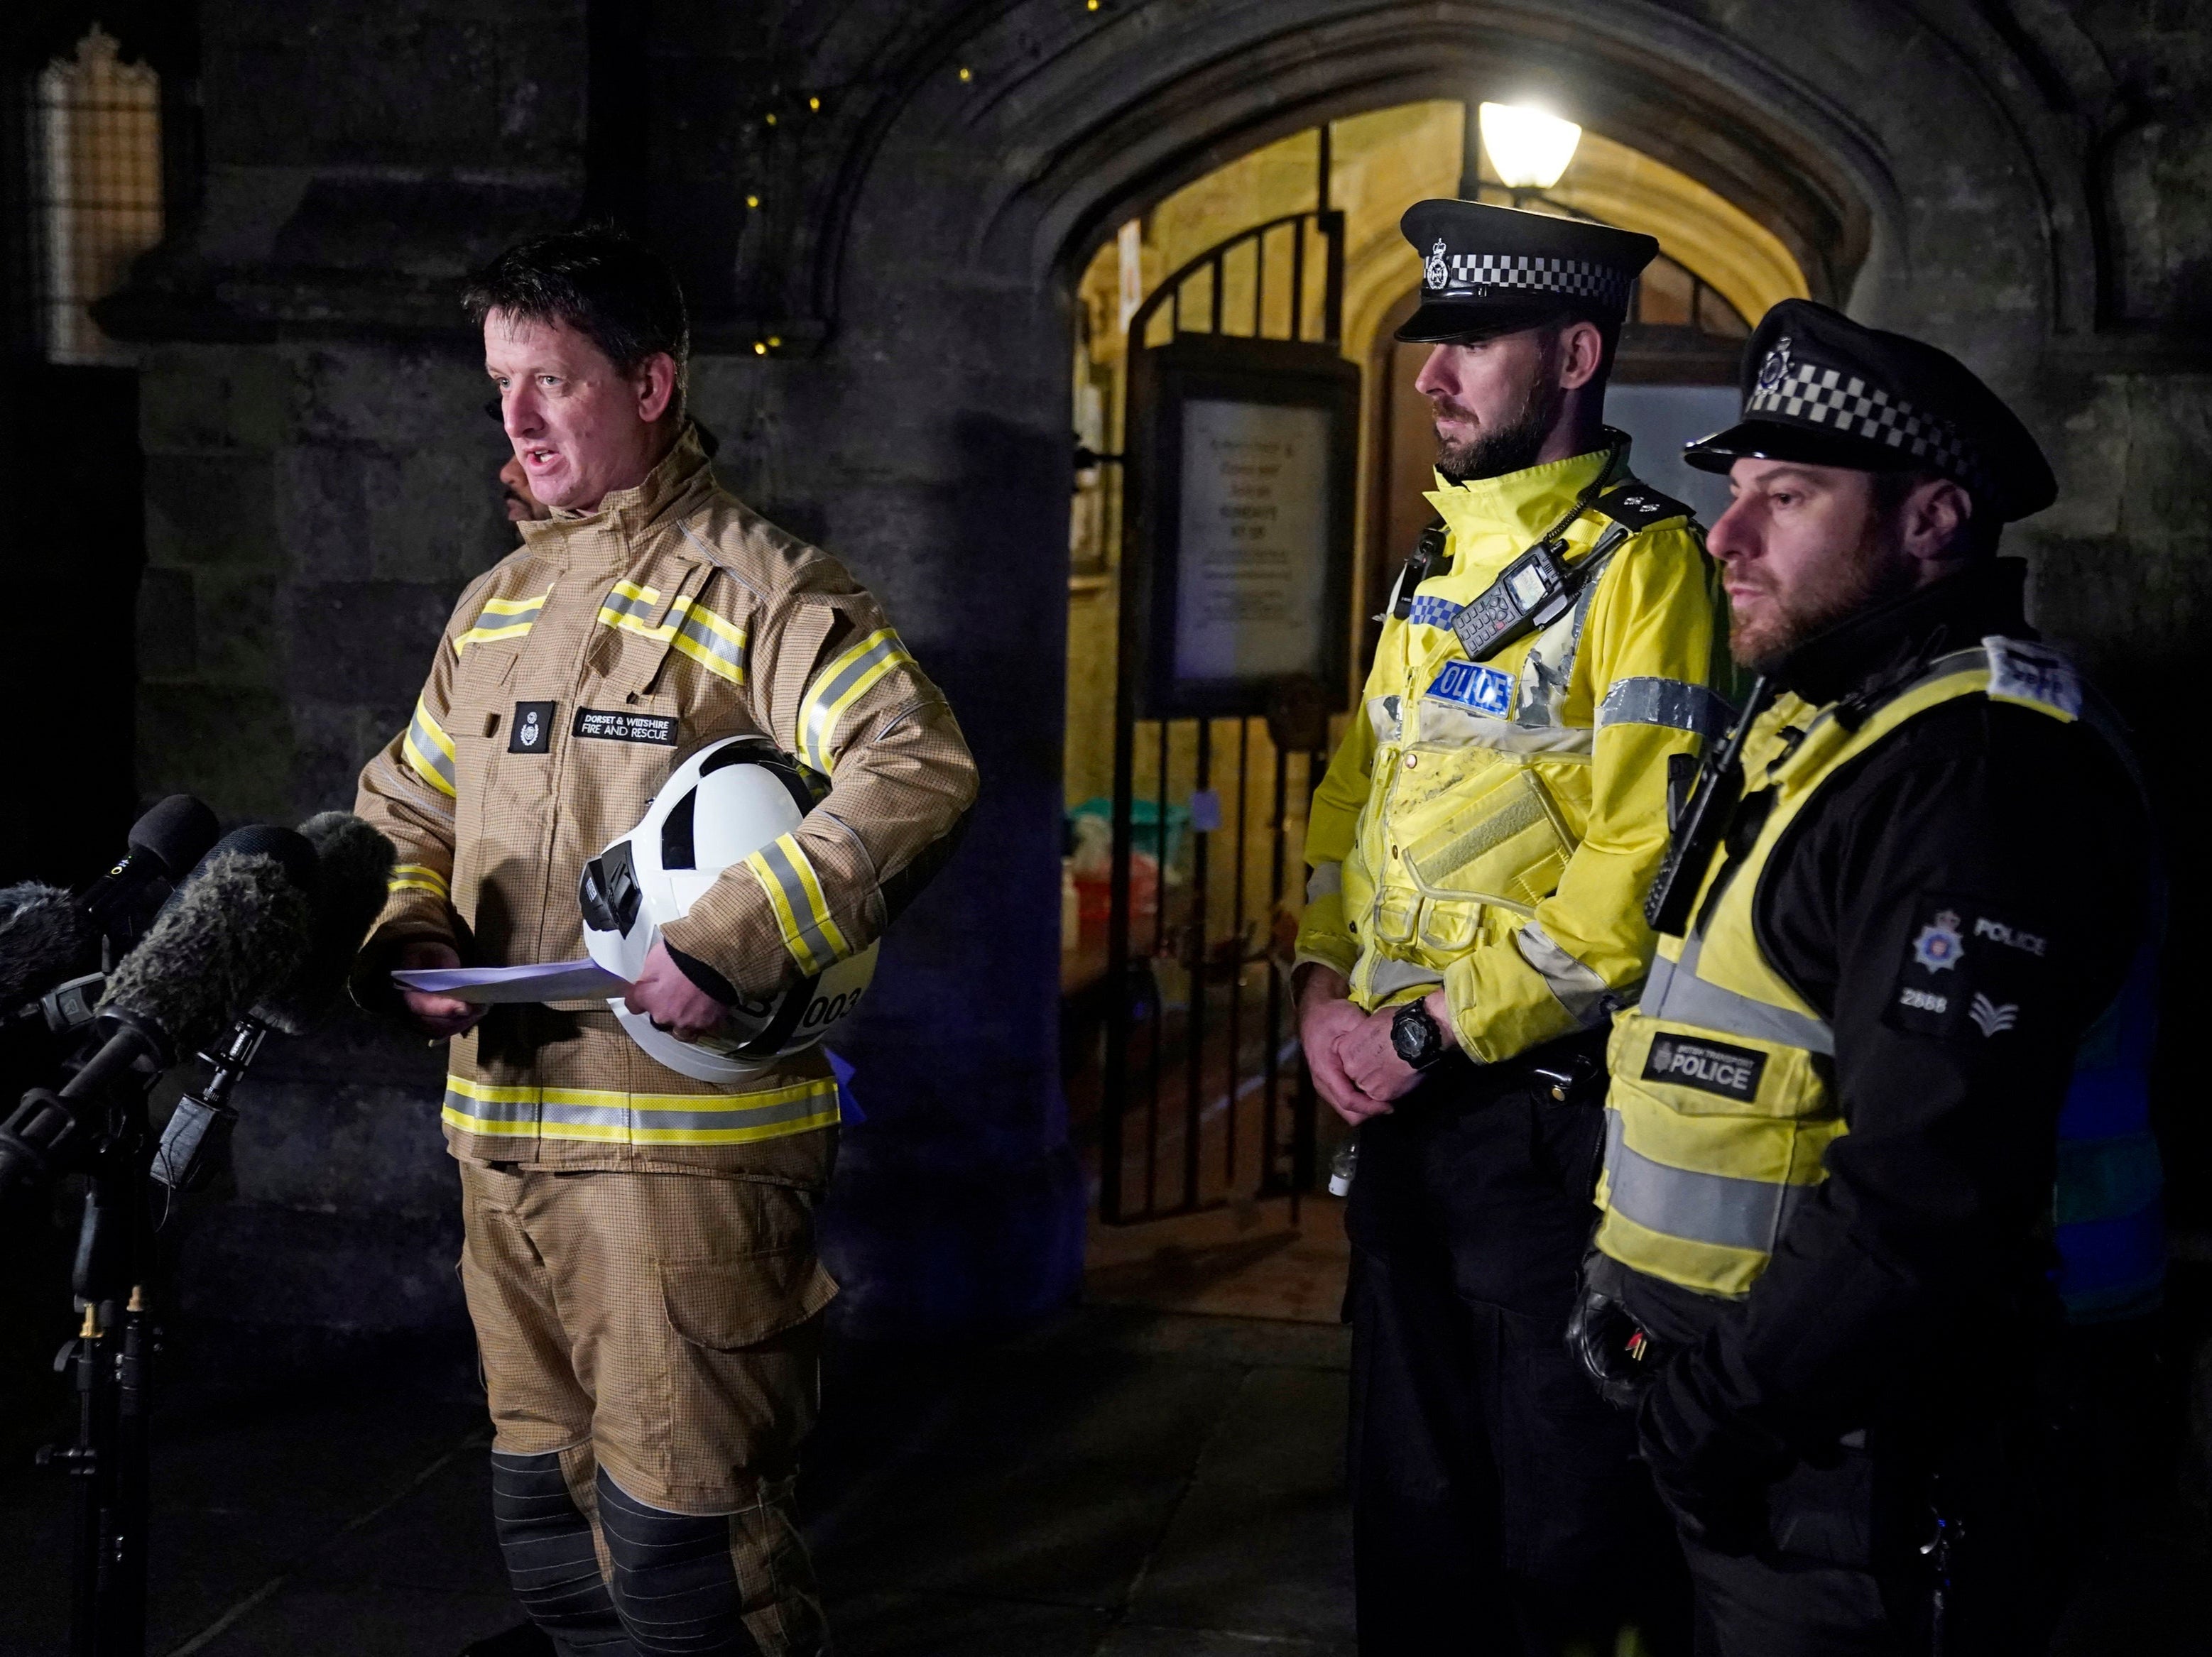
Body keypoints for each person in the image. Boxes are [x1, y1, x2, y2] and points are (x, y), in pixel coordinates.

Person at [352, 227, 979, 1657]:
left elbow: (915, 764)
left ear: (648, 384)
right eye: (501, 384)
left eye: (552, 383)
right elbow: (404, 803)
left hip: (680, 1179)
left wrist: (736, 938)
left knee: (693, 1572)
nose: (515, 420)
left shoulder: (762, 590)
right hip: (502, 1143)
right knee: (551, 1548)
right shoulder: (496, 608)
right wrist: (407, 926)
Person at [1572, 299, 2152, 1654]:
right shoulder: (1842, 718)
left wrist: (1710, 1418)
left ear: (1934, 521)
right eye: (1738, 492)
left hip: (1860, 1438)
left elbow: (1928, 1190)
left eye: (1788, 495)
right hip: (1764, 1409)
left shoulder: (1977, 771)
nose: (1726, 534)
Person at [1292, 199, 1730, 1653]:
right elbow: (1354, 793)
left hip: (1540, 1126)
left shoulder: (1648, 569)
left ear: (1575, 353)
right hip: (1401, 1116)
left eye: (1470, 345)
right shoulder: (1435, 564)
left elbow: (1637, 869)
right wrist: (1314, 989)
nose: (1431, 376)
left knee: (1558, 1522)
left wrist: (1421, 1027)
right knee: (1409, 1502)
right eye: (1434, 345)